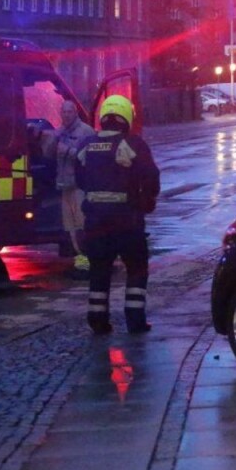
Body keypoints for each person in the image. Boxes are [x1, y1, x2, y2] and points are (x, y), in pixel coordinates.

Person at [75, 95, 160, 334]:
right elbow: (152, 177)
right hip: (128, 222)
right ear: (127, 117)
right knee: (136, 268)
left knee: (99, 271)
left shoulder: (85, 145)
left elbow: (79, 179)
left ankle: (97, 321)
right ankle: (135, 320)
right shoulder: (134, 144)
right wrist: (147, 201)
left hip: (94, 223)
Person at [44, 100, 95, 277]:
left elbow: (90, 157)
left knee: (82, 224)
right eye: (63, 112)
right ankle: (80, 261)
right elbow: (48, 153)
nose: (66, 115)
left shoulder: (86, 131)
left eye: (69, 112)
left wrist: (67, 151)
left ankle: (90, 260)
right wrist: (54, 138)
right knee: (71, 226)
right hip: (65, 185)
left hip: (80, 186)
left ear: (76, 113)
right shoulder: (60, 131)